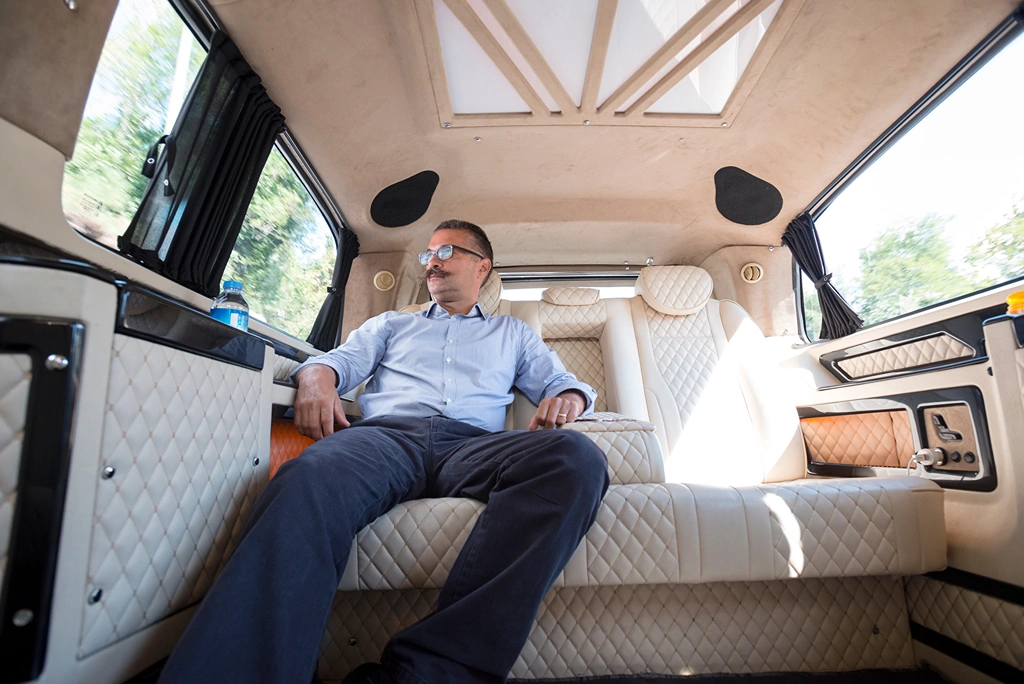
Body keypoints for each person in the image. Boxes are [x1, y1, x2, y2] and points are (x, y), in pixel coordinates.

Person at [159, 220, 609, 684]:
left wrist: (569, 399)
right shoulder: (392, 324)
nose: (431, 262)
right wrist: (316, 377)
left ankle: (431, 673)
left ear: (482, 267)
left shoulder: (512, 334)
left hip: (473, 445)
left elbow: (562, 383)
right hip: (386, 437)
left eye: (447, 251)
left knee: (576, 459)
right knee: (307, 477)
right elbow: (337, 361)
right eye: (428, 254)